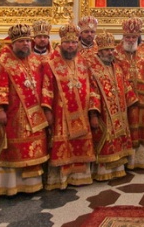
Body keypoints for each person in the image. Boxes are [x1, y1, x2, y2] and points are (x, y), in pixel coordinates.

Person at [0, 24, 49, 197]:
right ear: (13, 43)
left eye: (27, 41)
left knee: (34, 147)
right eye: (21, 41)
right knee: (13, 149)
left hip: (36, 114)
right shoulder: (3, 61)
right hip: (13, 114)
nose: (25, 44)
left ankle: (33, 183)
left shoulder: (35, 60)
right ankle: (10, 186)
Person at [41, 22, 94, 191]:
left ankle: (80, 176)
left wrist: (92, 110)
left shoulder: (83, 62)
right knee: (63, 144)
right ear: (61, 43)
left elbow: (91, 86)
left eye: (73, 42)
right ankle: (61, 179)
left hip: (82, 113)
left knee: (80, 143)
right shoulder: (51, 63)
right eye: (67, 43)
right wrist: (47, 111)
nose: (70, 46)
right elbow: (46, 89)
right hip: (61, 114)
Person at [88, 31, 137, 181]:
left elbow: (126, 86)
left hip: (120, 112)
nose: (110, 53)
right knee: (106, 139)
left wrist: (132, 101)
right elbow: (92, 92)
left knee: (120, 138)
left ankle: (119, 168)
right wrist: (93, 114)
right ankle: (104, 172)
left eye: (111, 50)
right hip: (104, 113)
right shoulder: (93, 70)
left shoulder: (117, 67)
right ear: (100, 51)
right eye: (107, 50)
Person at [114, 18, 144, 170]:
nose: (130, 40)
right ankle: (127, 160)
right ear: (123, 37)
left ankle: (139, 159)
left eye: (133, 37)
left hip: (141, 97)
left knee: (140, 127)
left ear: (137, 37)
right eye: (128, 37)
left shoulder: (142, 53)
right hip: (124, 97)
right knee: (126, 126)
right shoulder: (116, 53)